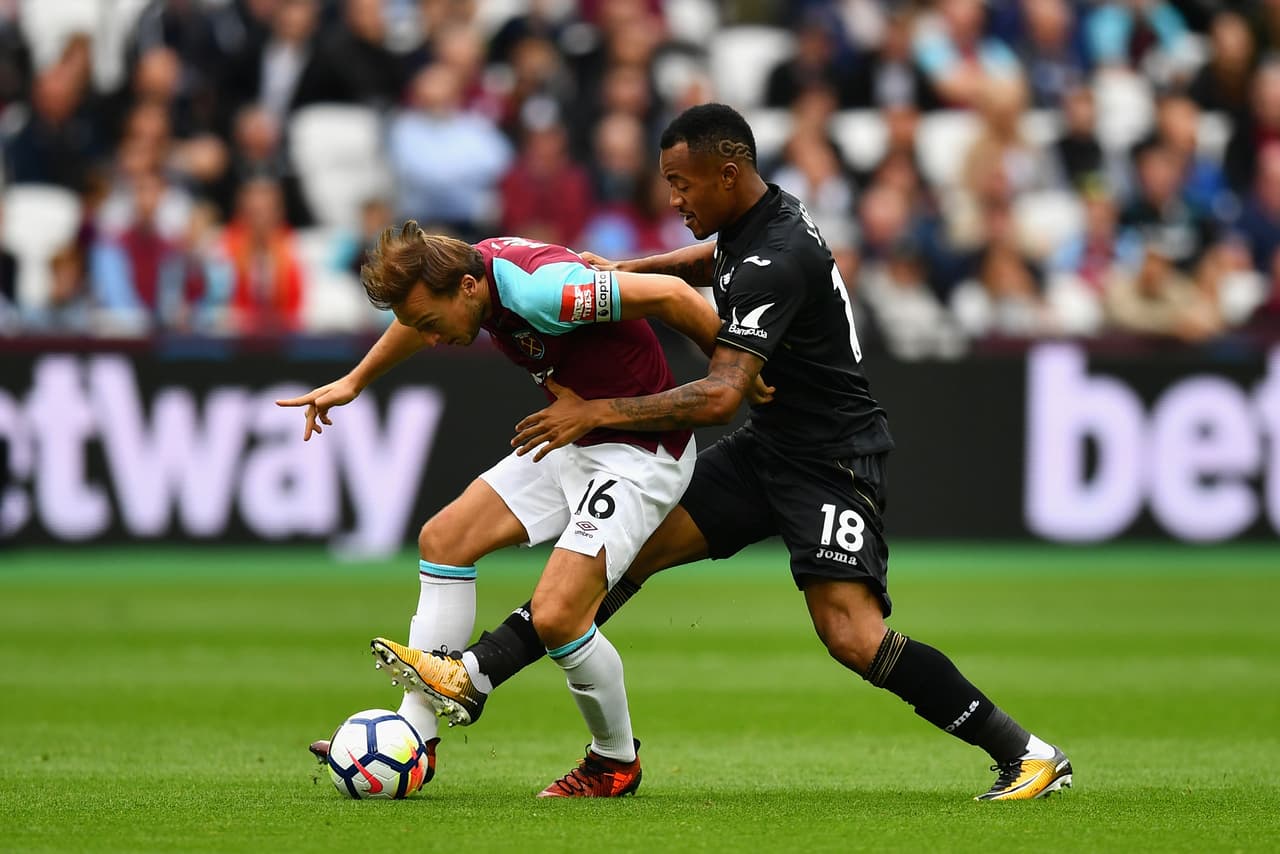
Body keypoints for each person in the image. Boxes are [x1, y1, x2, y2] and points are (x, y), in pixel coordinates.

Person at [376, 103, 1073, 802]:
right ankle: (508, 697)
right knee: (622, 560)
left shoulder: (779, 257)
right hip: (768, 448)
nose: (672, 199)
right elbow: (711, 263)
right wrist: (624, 269)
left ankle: (1028, 754)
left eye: (682, 184)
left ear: (728, 172)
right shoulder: (757, 223)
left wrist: (596, 412)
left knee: (852, 636)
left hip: (831, 459)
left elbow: (718, 397)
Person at [280, 224, 731, 797]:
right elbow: (416, 320)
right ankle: (415, 736)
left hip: (640, 455)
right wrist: (355, 380)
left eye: (431, 323)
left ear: (467, 288)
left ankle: (614, 762)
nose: (433, 339)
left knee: (560, 617)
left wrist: (736, 369)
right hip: (573, 437)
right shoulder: (465, 276)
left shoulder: (545, 291)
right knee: (444, 539)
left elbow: (672, 295)